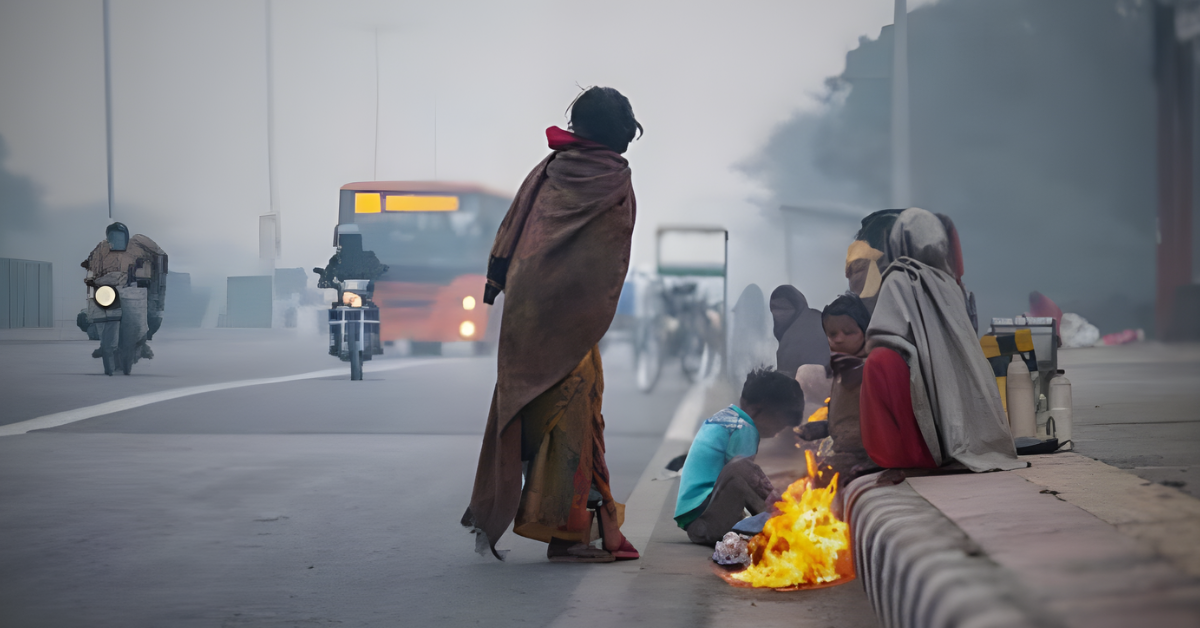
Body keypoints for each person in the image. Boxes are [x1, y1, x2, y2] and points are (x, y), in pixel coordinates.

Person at [462, 86, 643, 563]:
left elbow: (514, 227)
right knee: (573, 418)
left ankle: (588, 526)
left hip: (527, 310)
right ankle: (567, 535)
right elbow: (606, 257)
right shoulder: (613, 178)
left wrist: (498, 280)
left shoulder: (547, 171)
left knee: (537, 411)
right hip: (571, 318)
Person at [859, 208, 1025, 472]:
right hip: (946, 375)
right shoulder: (950, 284)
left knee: (879, 362)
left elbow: (884, 334)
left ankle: (905, 456)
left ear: (899, 241)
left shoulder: (899, 276)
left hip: (915, 374)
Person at [674, 368, 804, 546]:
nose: (781, 429)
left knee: (747, 473)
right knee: (743, 469)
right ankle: (780, 521)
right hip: (707, 521)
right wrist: (777, 503)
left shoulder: (727, 418)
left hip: (699, 517)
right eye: (781, 421)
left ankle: (773, 518)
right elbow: (746, 477)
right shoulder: (744, 428)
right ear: (758, 410)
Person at [796, 293, 877, 483]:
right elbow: (848, 419)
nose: (838, 339)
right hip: (844, 453)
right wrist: (823, 428)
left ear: (865, 331)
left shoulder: (872, 370)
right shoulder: (842, 369)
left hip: (867, 458)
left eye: (848, 332)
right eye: (832, 334)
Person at [769, 285, 829, 378]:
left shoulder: (790, 342)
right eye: (773, 308)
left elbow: (787, 383)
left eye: (784, 308)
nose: (777, 313)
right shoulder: (819, 317)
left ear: (798, 306)